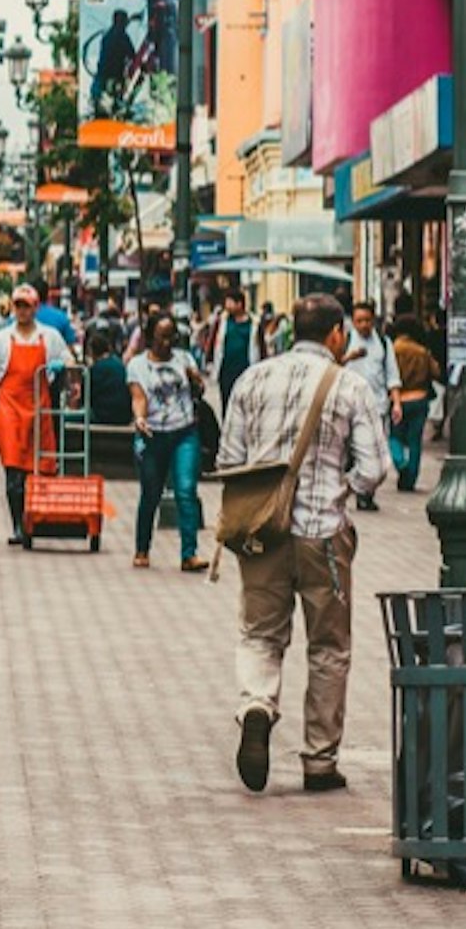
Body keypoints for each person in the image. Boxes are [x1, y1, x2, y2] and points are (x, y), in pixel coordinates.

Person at [216, 294, 385, 795]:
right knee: (329, 647)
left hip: (261, 535)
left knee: (260, 634)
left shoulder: (253, 379)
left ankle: (256, 706)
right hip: (323, 536)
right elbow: (375, 469)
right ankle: (318, 760)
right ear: (336, 332)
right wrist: (343, 487)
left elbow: (229, 458)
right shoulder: (350, 386)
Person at [0, 284, 77, 548]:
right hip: (9, 411)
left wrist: (63, 368)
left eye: (27, 305)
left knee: (40, 469)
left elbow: (70, 361)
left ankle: (35, 519)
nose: (22, 310)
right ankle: (18, 525)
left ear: (36, 308)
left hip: (40, 410)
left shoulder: (50, 337)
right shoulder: (0, 340)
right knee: (14, 474)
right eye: (18, 305)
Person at [128, 309, 211, 573]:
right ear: (150, 338)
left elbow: (198, 391)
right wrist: (139, 419)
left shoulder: (184, 359)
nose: (168, 342)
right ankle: (142, 548)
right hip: (153, 436)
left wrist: (196, 380)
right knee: (150, 494)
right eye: (162, 337)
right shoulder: (138, 366)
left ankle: (189, 553)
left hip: (184, 432)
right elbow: (139, 397)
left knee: (186, 490)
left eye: (171, 336)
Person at [338, 307, 391, 511]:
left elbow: (391, 374)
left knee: (369, 451)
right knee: (349, 453)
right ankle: (350, 491)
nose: (364, 325)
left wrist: (395, 401)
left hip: (376, 406)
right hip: (347, 405)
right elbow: (332, 365)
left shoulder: (384, 343)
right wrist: (349, 357)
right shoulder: (345, 340)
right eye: (359, 320)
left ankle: (365, 496)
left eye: (367, 320)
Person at [387, 315, 436, 494]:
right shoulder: (422, 351)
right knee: (415, 441)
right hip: (420, 398)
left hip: (399, 399)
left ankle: (401, 463)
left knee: (394, 436)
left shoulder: (393, 350)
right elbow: (436, 371)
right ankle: (410, 479)